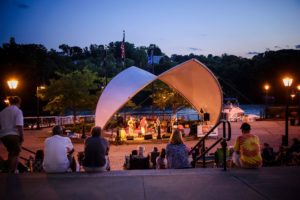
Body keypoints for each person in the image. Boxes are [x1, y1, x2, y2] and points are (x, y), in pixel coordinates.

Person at [0, 96, 24, 173]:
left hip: (3, 135)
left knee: (11, 152)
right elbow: (19, 125)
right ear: (18, 103)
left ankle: (8, 169)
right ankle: (13, 170)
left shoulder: (2, 111)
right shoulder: (18, 111)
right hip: (13, 134)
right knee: (16, 153)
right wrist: (22, 136)